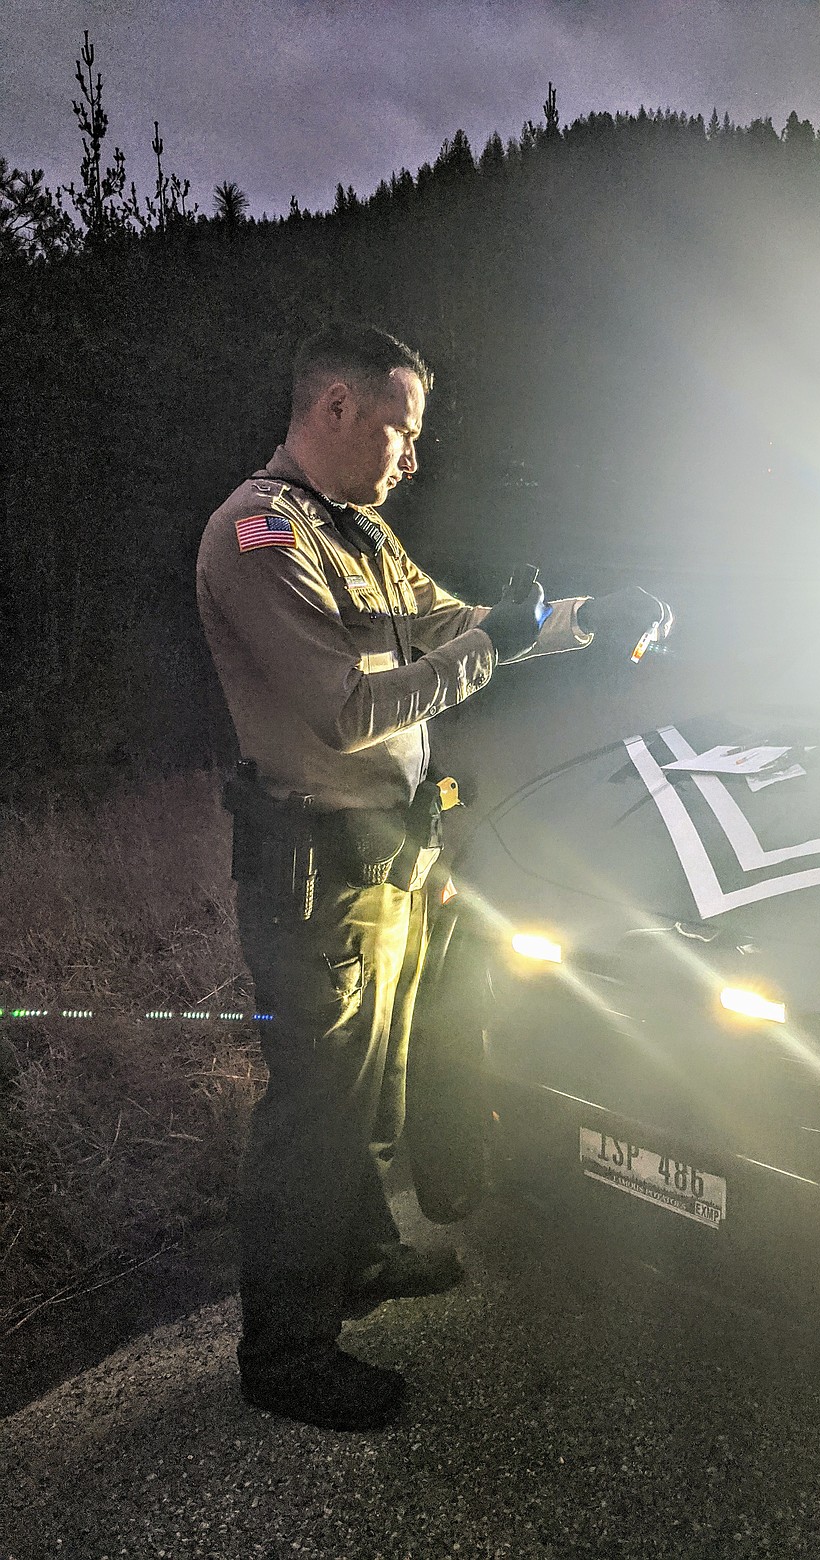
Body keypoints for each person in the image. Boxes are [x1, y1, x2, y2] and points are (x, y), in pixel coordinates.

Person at [196, 321, 671, 1431]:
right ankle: (286, 1351)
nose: (413, 456)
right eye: (400, 431)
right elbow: (347, 709)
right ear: (335, 412)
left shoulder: (357, 531)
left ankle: (359, 1258)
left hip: (385, 857)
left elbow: (461, 622)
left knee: (375, 1086)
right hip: (314, 870)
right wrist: (497, 643)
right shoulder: (260, 535)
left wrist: (592, 616)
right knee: (317, 1108)